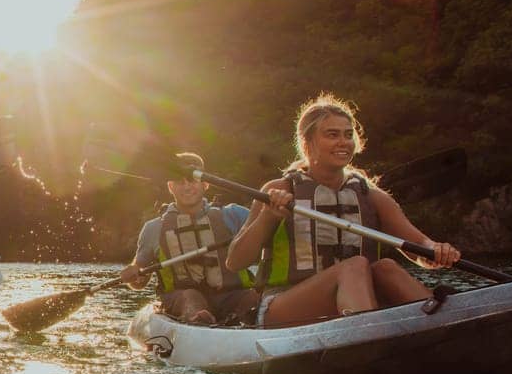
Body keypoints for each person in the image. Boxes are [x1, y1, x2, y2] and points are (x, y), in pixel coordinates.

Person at [225, 93, 460, 328]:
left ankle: (447, 327)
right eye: (332, 135)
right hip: (284, 308)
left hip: (353, 303)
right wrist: (268, 216)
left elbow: (420, 247)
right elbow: (235, 262)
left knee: (385, 268)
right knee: (355, 266)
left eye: (348, 135)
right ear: (308, 143)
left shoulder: (372, 195)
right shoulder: (279, 190)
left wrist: (436, 250)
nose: (343, 142)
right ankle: (370, 339)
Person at [121, 152, 257, 326]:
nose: (186, 187)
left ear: (206, 184)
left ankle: (249, 322)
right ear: (171, 187)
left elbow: (267, 226)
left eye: (192, 180)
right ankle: (200, 320)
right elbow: (139, 280)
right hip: (181, 299)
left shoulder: (234, 215)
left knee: (253, 297)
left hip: (232, 296)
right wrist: (133, 275)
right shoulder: (153, 228)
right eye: (179, 182)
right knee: (191, 298)